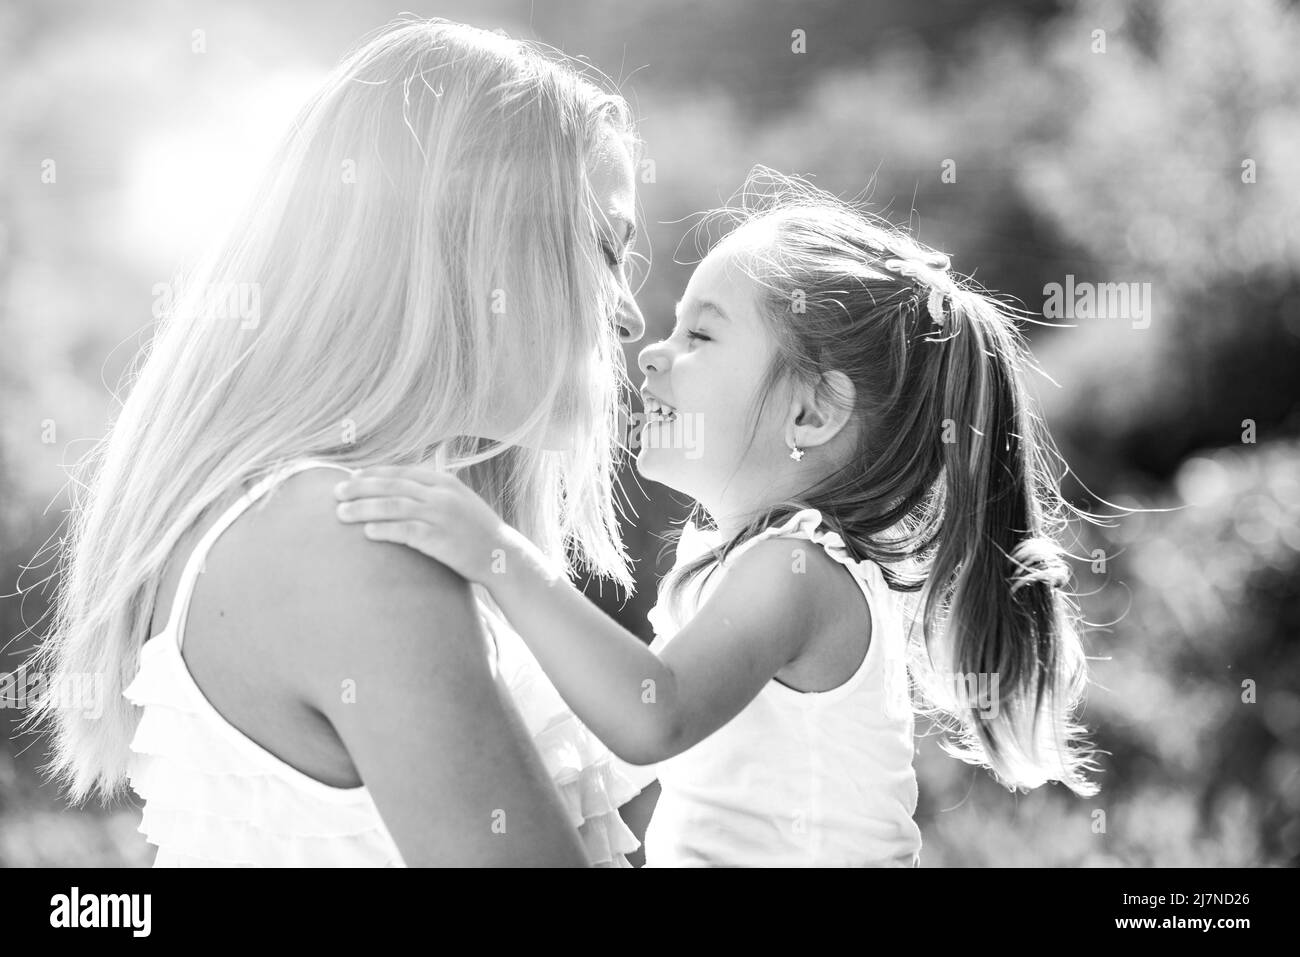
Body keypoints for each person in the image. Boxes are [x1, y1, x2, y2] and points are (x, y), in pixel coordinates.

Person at [333, 169, 1101, 867]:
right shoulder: (745, 563)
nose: (652, 356)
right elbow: (631, 742)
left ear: (811, 411)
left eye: (699, 334)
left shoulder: (797, 572)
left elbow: (652, 715)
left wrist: (495, 552)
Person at [25, 18, 652, 866]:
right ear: (478, 240)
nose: (629, 312)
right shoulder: (349, 537)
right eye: (604, 248)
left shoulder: (313, 517)